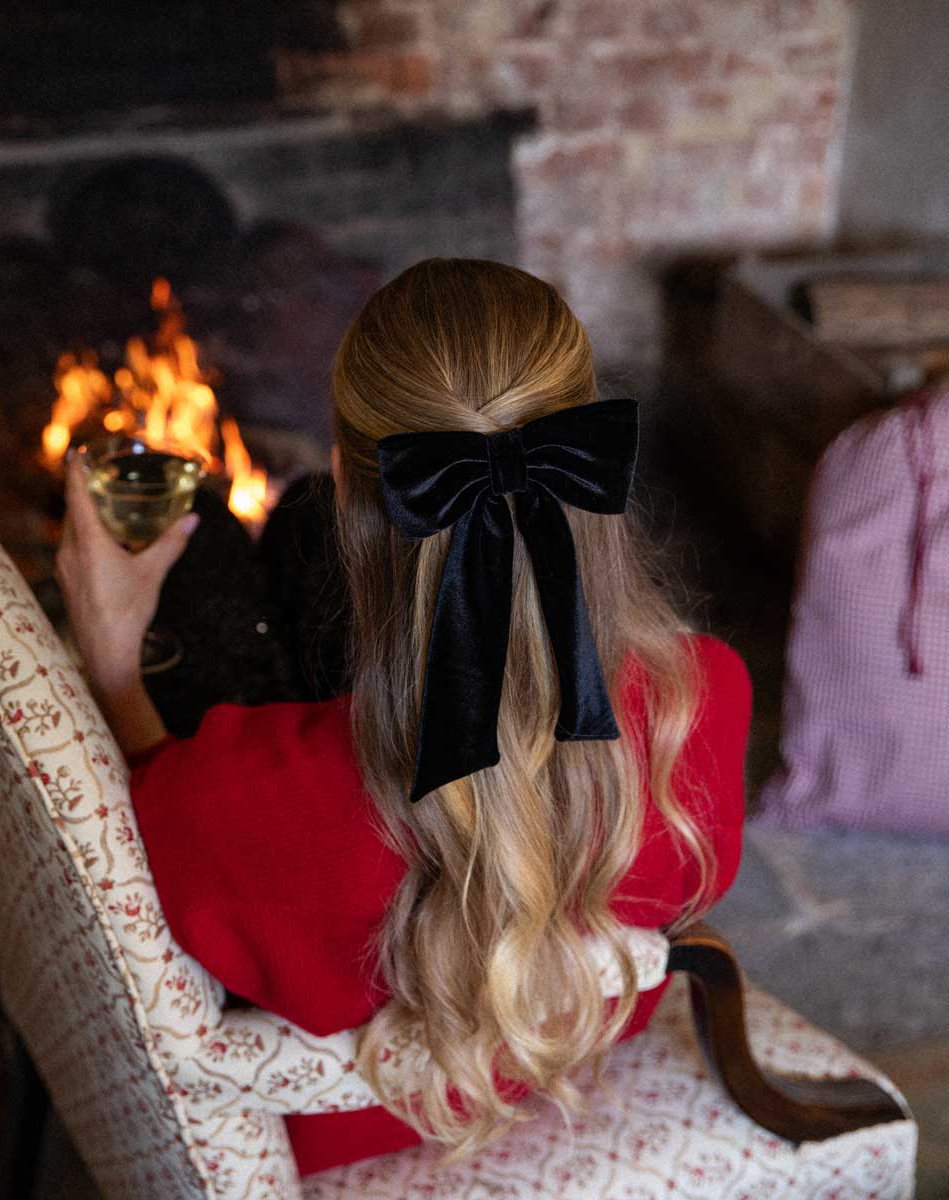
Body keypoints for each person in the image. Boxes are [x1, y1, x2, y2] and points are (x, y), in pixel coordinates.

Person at [56, 258, 751, 1177]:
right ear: (593, 468)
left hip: (348, 1136)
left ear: (352, 481)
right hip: (576, 1066)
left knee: (243, 555)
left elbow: (148, 831)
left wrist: (110, 656)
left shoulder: (238, 792)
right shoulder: (702, 701)